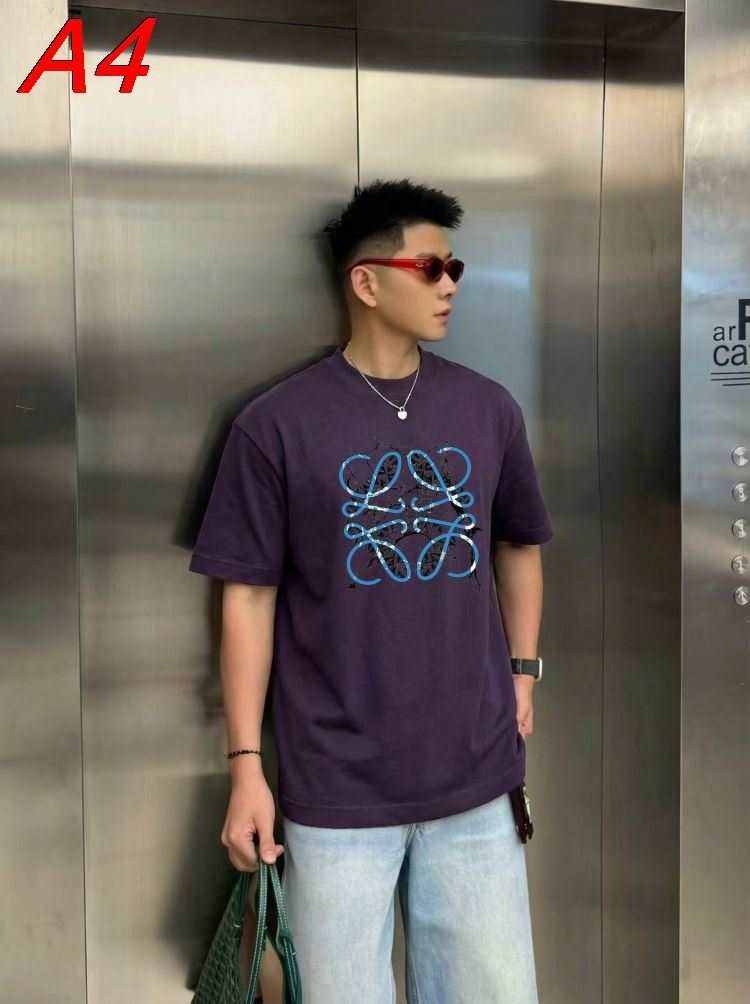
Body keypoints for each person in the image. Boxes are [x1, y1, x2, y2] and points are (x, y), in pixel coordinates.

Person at [189, 178, 554, 1003]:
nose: (450, 283)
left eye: (455, 267)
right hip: (334, 792)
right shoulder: (276, 427)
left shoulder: (487, 410)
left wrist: (524, 671)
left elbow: (519, 542)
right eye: (431, 267)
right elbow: (247, 598)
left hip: (476, 783)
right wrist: (246, 766)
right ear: (367, 281)